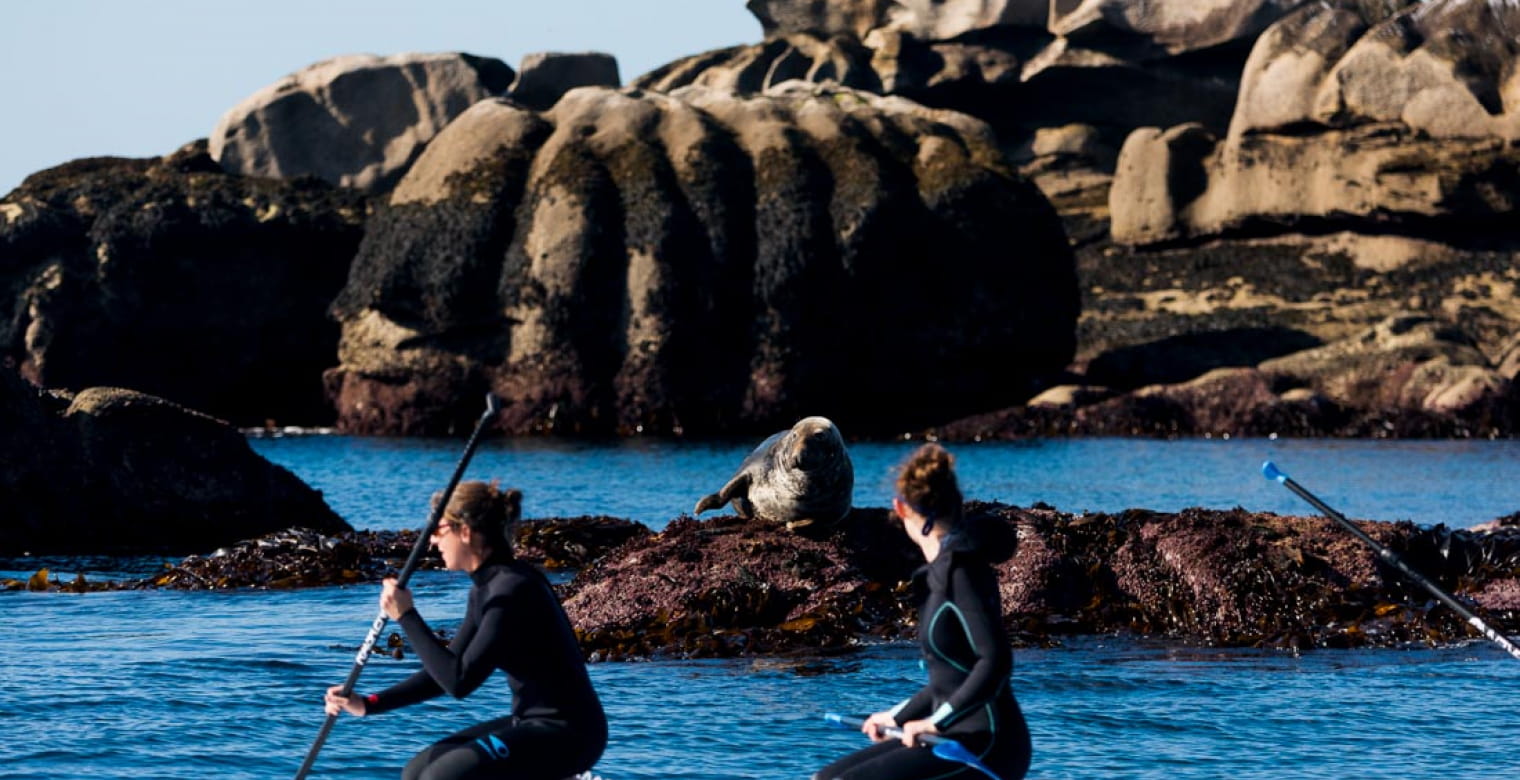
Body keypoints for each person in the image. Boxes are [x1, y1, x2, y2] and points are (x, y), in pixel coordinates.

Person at [324, 481, 607, 780]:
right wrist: (369, 704)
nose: (433, 540)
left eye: (439, 529)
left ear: (465, 532)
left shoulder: (512, 590)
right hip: (530, 723)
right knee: (416, 772)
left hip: (570, 735)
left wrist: (406, 615)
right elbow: (445, 671)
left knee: (439, 778)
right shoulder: (486, 589)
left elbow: (459, 681)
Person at [814, 443, 1031, 780]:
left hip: (988, 744)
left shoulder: (962, 572)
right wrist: (896, 716)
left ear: (899, 508)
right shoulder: (942, 572)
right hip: (950, 732)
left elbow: (995, 661)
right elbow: (952, 675)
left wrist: (934, 722)